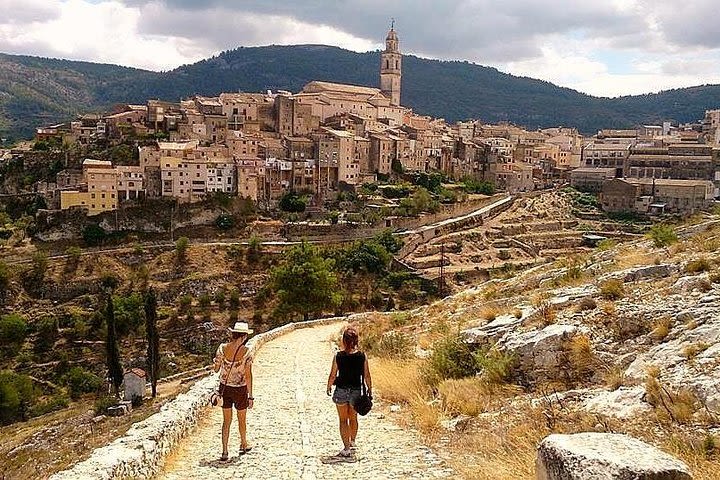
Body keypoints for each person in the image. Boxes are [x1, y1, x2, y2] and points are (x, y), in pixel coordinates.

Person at [326, 326, 372, 458]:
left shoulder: (338, 356)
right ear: (356, 340)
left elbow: (333, 375)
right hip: (356, 392)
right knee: (353, 418)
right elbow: (367, 375)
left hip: (341, 391)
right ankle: (352, 441)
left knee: (342, 420)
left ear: (344, 341)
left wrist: (329, 386)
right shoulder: (362, 356)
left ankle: (346, 448)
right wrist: (370, 389)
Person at [213, 321, 254, 461]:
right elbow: (248, 375)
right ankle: (243, 444)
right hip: (240, 389)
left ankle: (224, 451)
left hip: (224, 389)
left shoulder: (222, 348)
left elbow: (216, 369)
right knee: (241, 419)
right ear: (243, 337)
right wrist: (251, 396)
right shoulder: (247, 352)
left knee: (226, 421)